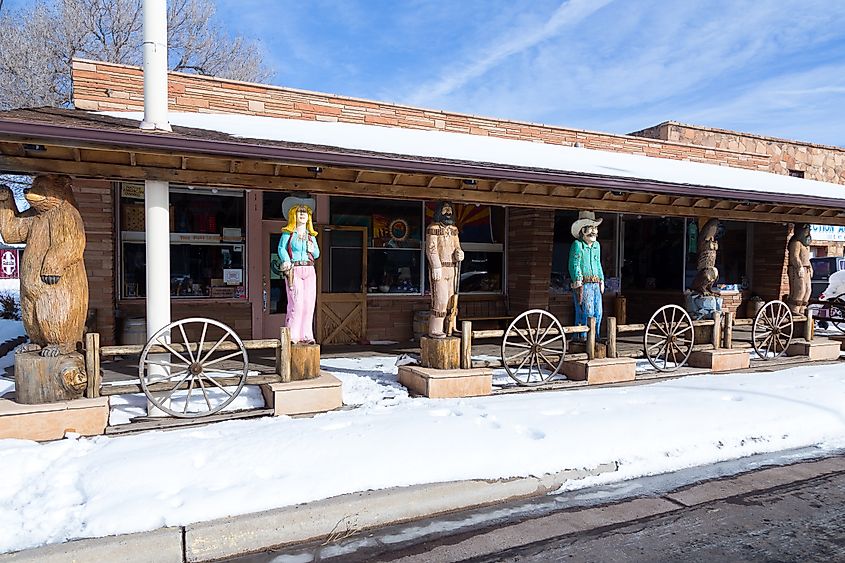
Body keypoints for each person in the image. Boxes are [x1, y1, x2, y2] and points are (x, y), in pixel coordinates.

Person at [278, 198, 320, 343]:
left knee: (309, 303)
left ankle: (307, 335)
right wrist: (286, 260)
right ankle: (293, 335)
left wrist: (312, 249)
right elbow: (281, 248)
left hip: (309, 268)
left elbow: (317, 254)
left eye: (305, 212)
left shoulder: (311, 235)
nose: (302, 215)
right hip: (294, 268)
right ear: (293, 215)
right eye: (299, 212)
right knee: (296, 302)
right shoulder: (288, 234)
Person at [426, 201, 464, 338]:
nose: (448, 213)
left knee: (451, 300)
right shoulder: (433, 228)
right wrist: (435, 265)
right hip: (440, 268)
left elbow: (457, 246)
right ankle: (435, 328)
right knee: (440, 300)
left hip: (452, 268)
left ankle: (451, 326)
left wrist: (459, 253)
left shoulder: (454, 230)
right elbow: (431, 249)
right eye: (445, 210)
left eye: (449, 210)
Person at [568, 211, 604, 341]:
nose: (594, 231)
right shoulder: (577, 245)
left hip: (595, 283)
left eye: (595, 228)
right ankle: (583, 337)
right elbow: (574, 263)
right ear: (583, 230)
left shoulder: (597, 246)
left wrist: (602, 279)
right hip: (585, 284)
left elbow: (598, 263)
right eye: (591, 228)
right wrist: (577, 278)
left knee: (598, 312)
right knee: (586, 311)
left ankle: (595, 336)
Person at [787, 223, 813, 315]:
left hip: (806, 269)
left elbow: (807, 259)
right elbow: (794, 257)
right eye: (806, 230)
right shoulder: (796, 243)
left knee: (808, 290)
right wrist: (799, 266)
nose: (808, 232)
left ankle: (802, 309)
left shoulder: (806, 245)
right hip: (797, 269)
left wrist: (810, 267)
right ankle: (794, 310)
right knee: (800, 289)